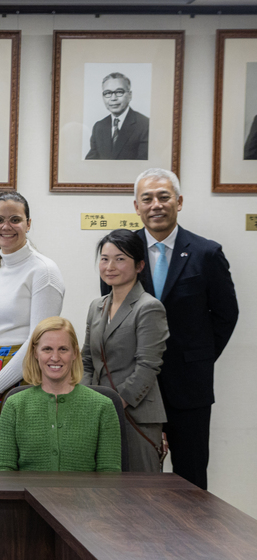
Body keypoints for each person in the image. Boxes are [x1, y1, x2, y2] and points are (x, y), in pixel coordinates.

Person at [100, 168, 238, 487]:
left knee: (190, 478)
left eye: (164, 197)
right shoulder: (120, 252)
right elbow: (112, 313)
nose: (156, 205)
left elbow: (226, 315)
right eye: (147, 198)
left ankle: (191, 538)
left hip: (189, 387)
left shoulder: (206, 253)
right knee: (132, 475)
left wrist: (198, 357)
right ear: (136, 206)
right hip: (132, 385)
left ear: (179, 201)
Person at [0, 191, 65, 470]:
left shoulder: (44, 271)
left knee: (15, 461)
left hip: (23, 377)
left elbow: (39, 341)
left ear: (28, 223)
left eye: (15, 219)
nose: (6, 227)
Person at [83, 229, 168, 472]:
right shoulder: (96, 306)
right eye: (104, 258)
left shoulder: (149, 307)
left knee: (140, 494)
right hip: (97, 411)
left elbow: (148, 366)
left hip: (136, 414)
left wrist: (113, 403)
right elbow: (86, 359)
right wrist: (89, 399)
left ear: (140, 265)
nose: (110, 266)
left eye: (120, 259)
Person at [0, 317, 121, 472]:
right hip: (26, 496)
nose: (55, 357)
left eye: (63, 349)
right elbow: (3, 471)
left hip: (85, 497)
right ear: (35, 352)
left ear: (75, 353)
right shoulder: (14, 405)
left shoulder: (103, 406)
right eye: (47, 349)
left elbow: (109, 474)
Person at [85, 72, 148, 161]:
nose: (113, 98)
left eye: (119, 92)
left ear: (130, 95)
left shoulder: (145, 125)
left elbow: (144, 165)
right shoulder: (99, 127)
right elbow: (90, 163)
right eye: (107, 93)